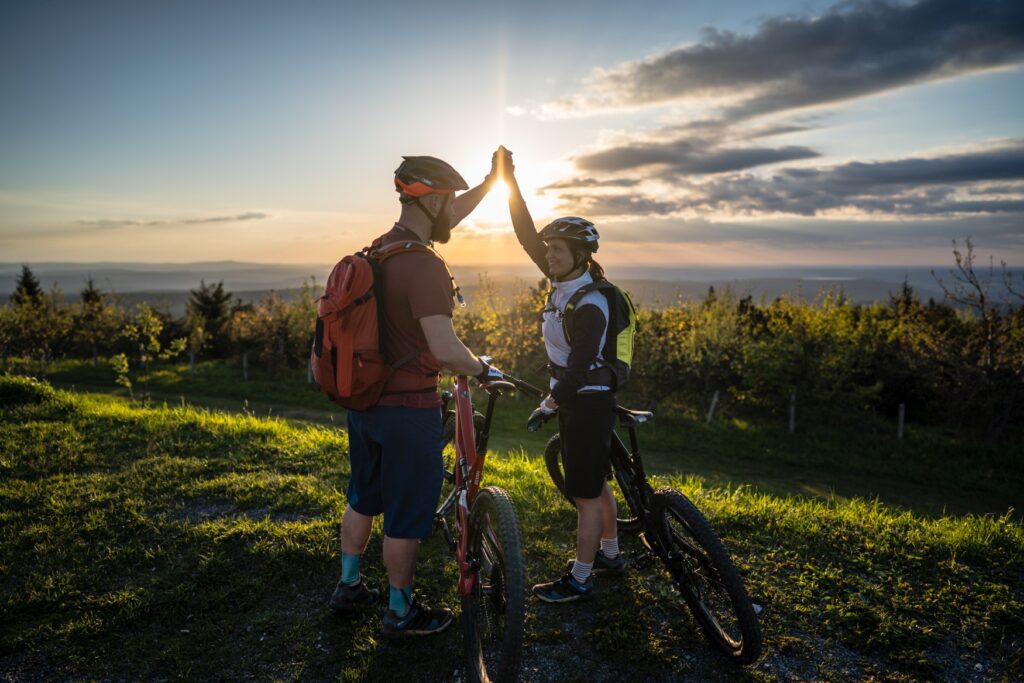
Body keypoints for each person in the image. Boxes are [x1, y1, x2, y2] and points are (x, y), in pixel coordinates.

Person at [329, 152, 507, 637]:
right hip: (409, 411)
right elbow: (445, 348)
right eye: (449, 202)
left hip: (365, 403)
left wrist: (492, 183)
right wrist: (483, 367)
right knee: (406, 517)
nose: (455, 212)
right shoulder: (424, 266)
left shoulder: (378, 252)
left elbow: (452, 213)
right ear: (431, 202)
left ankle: (348, 586)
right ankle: (400, 612)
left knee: (364, 495)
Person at [501, 148, 625, 603]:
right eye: (549, 249)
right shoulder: (564, 283)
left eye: (557, 250)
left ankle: (581, 577)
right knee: (596, 481)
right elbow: (524, 233)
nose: (548, 255)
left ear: (579, 256)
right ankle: (611, 553)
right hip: (581, 399)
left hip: (586, 401)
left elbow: (576, 370)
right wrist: (508, 181)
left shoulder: (588, 303)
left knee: (585, 494)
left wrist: (549, 404)